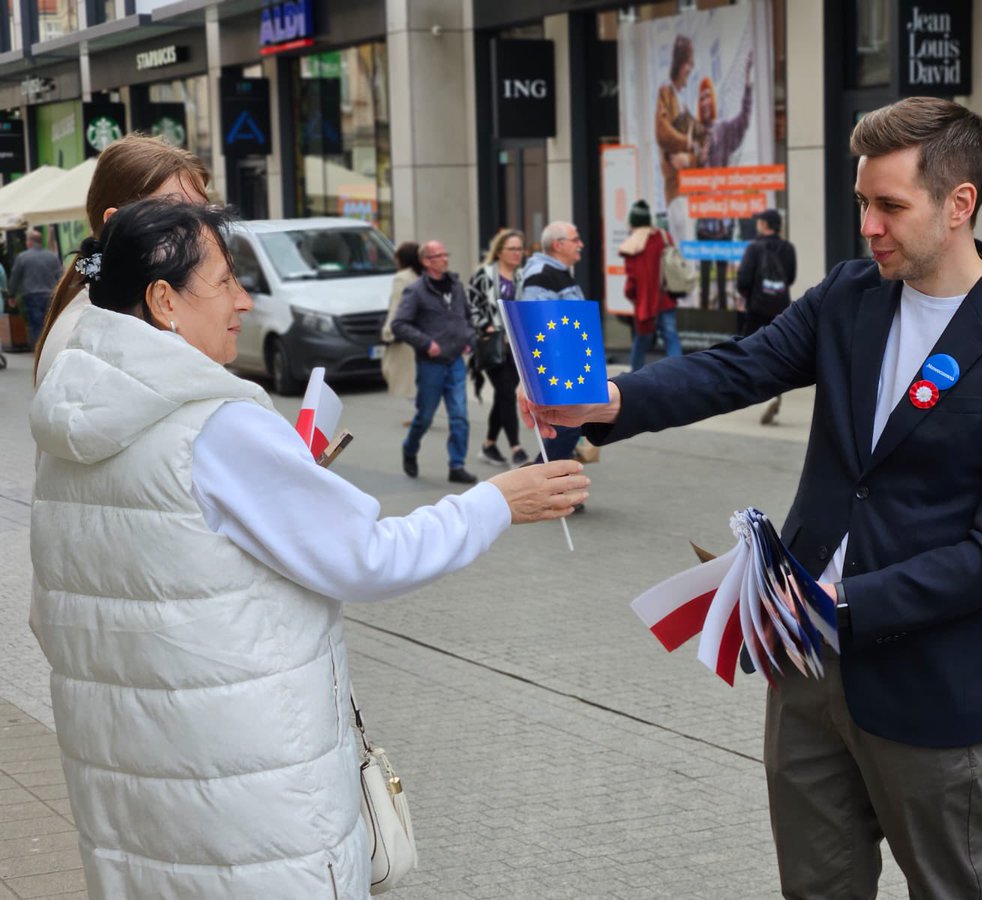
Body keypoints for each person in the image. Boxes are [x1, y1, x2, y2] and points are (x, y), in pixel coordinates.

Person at [522, 97, 982, 899]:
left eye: (890, 205)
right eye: (863, 202)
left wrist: (838, 602)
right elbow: (736, 368)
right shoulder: (851, 295)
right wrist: (605, 400)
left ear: (960, 204)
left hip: (926, 687)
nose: (869, 225)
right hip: (803, 667)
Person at [28, 199, 589, 899]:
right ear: (163, 299)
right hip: (246, 808)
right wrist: (496, 502)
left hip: (135, 795)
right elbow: (368, 556)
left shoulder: (71, 416)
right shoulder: (216, 425)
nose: (243, 300)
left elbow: (60, 614)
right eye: (226, 281)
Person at [34, 133, 210, 385]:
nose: (202, 230)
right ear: (115, 225)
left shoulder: (107, 312)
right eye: (176, 215)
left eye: (204, 213)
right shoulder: (97, 332)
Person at [392, 239, 477, 484]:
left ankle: (457, 465)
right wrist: (426, 343)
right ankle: (409, 448)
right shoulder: (416, 291)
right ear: (426, 262)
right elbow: (399, 325)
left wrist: (469, 338)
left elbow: (467, 318)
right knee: (426, 416)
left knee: (460, 415)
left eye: (445, 253)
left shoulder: (456, 286)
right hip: (431, 365)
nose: (445, 258)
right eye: (438, 255)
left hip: (456, 361)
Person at [519, 221, 588, 480]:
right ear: (558, 245)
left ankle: (548, 478)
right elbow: (537, 323)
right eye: (575, 239)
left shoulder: (558, 271)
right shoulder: (541, 273)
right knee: (569, 425)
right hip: (557, 366)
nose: (580, 244)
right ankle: (543, 477)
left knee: (570, 425)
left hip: (569, 363)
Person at [694, 56, 755, 310]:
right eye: (702, 98)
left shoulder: (723, 129)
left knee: (721, 269)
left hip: (722, 214)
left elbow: (742, 120)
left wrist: (748, 87)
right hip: (702, 215)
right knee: (705, 270)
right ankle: (706, 313)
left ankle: (720, 313)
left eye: (709, 97)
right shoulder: (694, 134)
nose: (706, 102)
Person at [467, 228, 530, 468]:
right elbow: (471, 306)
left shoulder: (523, 277)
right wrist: (486, 326)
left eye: (519, 249)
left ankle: (489, 445)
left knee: (503, 397)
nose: (517, 253)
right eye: (511, 249)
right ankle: (517, 449)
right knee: (506, 393)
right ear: (500, 251)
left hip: (518, 347)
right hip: (492, 346)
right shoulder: (483, 275)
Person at [736, 208, 797, 424]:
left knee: (756, 351)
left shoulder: (754, 248)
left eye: (760, 222)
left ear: (765, 225)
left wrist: (751, 295)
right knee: (778, 352)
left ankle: (765, 396)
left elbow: (743, 280)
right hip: (781, 308)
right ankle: (774, 392)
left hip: (757, 309)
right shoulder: (788, 248)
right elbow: (790, 277)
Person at [619, 199, 682, 371]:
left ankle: (635, 373)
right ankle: (679, 372)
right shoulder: (662, 236)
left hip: (645, 301)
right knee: (670, 336)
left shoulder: (632, 245)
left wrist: (631, 295)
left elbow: (632, 280)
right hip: (665, 296)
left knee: (642, 338)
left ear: (633, 222)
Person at [655, 34, 698, 249]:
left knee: (687, 247)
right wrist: (687, 142)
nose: (690, 68)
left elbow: (702, 147)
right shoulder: (667, 93)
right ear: (680, 63)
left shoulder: (683, 101)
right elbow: (662, 132)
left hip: (688, 188)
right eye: (688, 62)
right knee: (683, 249)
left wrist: (689, 156)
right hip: (676, 188)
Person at [380, 241, 421, 419]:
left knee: (400, 373)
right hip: (421, 330)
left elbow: (396, 306)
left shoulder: (402, 278)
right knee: (415, 375)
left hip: (405, 333)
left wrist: (388, 331)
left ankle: (420, 414)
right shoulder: (421, 275)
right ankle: (421, 412)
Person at [9, 229, 62, 346]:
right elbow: (60, 276)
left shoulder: (22, 257)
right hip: (50, 294)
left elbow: (15, 277)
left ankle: (38, 349)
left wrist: (11, 295)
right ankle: (51, 346)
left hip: (31, 295)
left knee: (36, 325)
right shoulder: (52, 257)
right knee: (50, 323)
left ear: (29, 243)